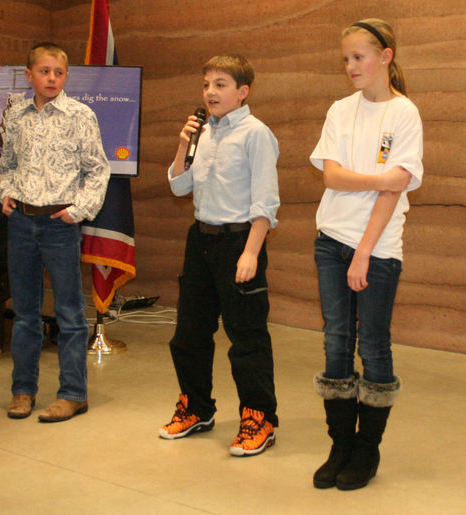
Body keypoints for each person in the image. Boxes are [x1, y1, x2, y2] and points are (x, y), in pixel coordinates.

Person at [309, 19, 423, 490]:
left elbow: (395, 195)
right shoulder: (340, 109)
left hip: (376, 249)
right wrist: (380, 177)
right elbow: (332, 177)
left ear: (386, 57)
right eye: (347, 59)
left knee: (372, 345)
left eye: (360, 57)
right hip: (330, 240)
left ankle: (366, 450)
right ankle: (340, 443)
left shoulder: (404, 114)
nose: (352, 66)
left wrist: (364, 254)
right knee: (336, 342)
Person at [159, 54, 280, 457]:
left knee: (246, 337)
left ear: (242, 92)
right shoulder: (201, 133)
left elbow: (265, 203)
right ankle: (196, 407)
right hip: (202, 241)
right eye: (206, 83)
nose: (211, 91)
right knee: (189, 333)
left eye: (221, 84)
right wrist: (182, 145)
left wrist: (250, 253)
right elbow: (179, 188)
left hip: (239, 242)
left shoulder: (255, 133)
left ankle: (259, 417)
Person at [0, 42, 110, 423]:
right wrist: (5, 191)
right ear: (29, 75)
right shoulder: (16, 116)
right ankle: (22, 391)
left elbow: (98, 169)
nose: (51, 79)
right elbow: (7, 163)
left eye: (58, 73)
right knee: (26, 313)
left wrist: (78, 210)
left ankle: (73, 394)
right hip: (22, 223)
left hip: (60, 225)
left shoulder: (81, 115)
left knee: (70, 313)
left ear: (66, 76)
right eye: (44, 72)